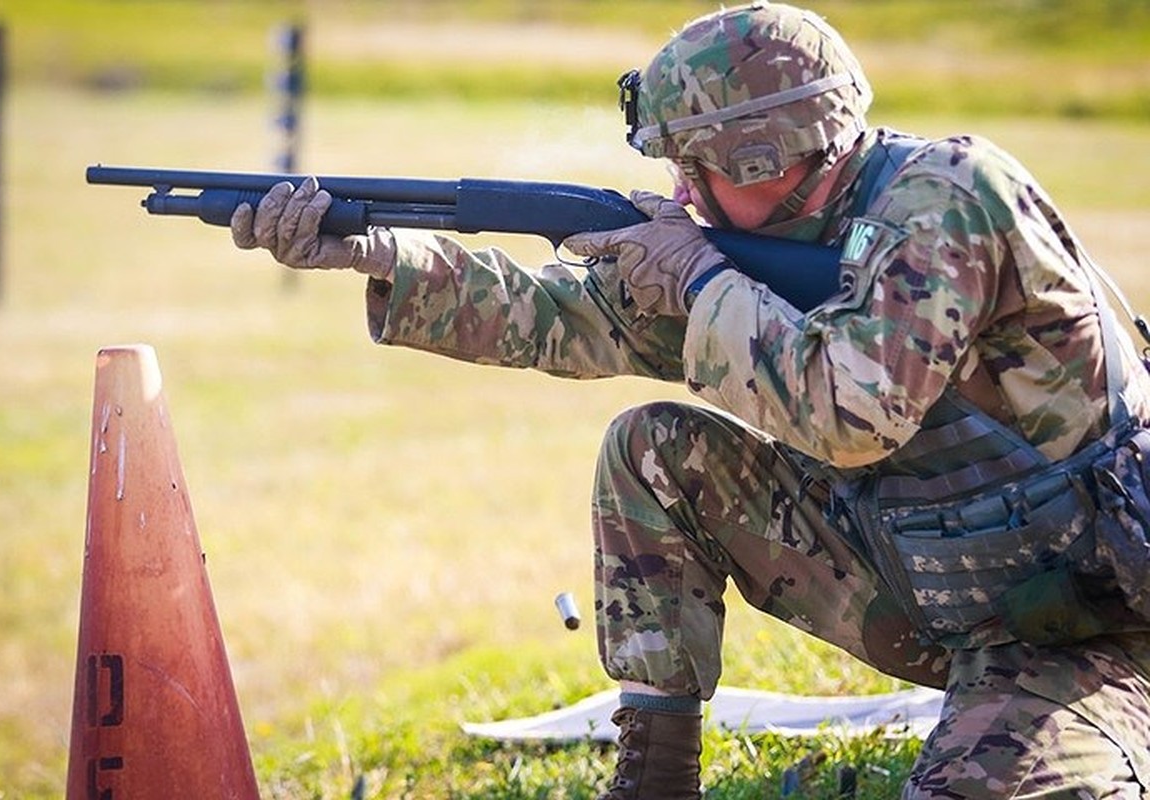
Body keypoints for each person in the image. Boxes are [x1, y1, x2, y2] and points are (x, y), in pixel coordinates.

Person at [229, 2, 1150, 797]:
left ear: (759, 156)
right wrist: (379, 254)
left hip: (1090, 619)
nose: (677, 191)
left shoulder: (948, 198)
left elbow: (853, 415)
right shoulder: (751, 245)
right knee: (654, 448)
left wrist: (703, 280)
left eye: (690, 164)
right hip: (938, 589)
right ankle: (658, 774)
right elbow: (557, 316)